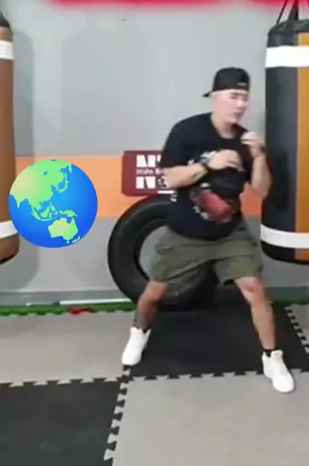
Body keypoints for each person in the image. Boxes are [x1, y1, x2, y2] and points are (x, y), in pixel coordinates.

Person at [121, 67, 295, 394]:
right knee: (153, 293)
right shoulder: (188, 131)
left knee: (254, 288)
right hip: (185, 233)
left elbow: (262, 189)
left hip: (229, 233)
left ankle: (272, 357)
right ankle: (139, 334)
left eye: (245, 97)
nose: (240, 104)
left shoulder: (246, 141)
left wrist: (258, 156)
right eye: (234, 96)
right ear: (215, 96)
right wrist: (208, 165)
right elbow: (171, 178)